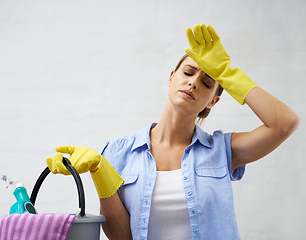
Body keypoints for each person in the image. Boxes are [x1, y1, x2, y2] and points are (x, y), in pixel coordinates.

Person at [46, 24, 299, 240]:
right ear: (171, 77)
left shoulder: (223, 150)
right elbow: (122, 237)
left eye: (207, 83)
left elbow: (284, 123)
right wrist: (99, 171)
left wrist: (227, 74)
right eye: (188, 72)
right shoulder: (118, 152)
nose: (193, 82)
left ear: (213, 101)